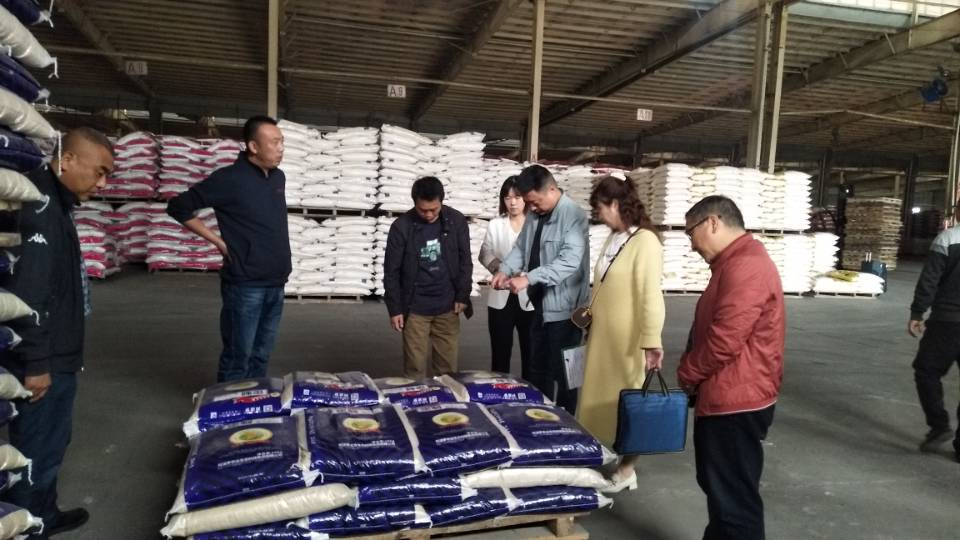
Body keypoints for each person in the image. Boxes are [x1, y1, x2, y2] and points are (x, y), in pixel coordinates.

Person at [0, 127, 114, 538]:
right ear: (67, 160)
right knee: (37, 446)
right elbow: (30, 292)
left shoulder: (54, 201)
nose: (103, 184)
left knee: (52, 440)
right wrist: (37, 362)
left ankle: (43, 513)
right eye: (99, 172)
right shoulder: (41, 207)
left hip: (58, 350)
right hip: (44, 357)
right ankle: (28, 525)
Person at [678, 195, 784, 540]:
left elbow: (725, 339)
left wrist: (688, 373)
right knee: (722, 489)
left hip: (736, 402)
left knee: (734, 500)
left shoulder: (746, 266)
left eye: (691, 233)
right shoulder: (733, 262)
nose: (692, 244)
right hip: (728, 394)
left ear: (712, 222)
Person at [167, 115, 290, 383]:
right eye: (274, 142)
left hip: (276, 283)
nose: (281, 148)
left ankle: (254, 400)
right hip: (245, 285)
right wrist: (219, 242)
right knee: (238, 355)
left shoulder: (277, 178)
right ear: (253, 146)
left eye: (282, 141)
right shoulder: (229, 179)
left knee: (261, 354)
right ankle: (229, 402)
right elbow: (178, 206)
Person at [576, 174, 665, 492]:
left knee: (631, 403)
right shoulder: (615, 237)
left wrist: (651, 340)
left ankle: (627, 470)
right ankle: (600, 454)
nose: (599, 215)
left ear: (614, 204)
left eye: (600, 208)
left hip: (629, 341)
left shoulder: (645, 242)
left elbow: (650, 295)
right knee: (601, 400)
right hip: (604, 338)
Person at [490, 164, 589, 414]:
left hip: (566, 312)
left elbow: (569, 262)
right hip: (538, 306)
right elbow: (521, 248)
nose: (532, 209)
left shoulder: (574, 216)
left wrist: (529, 278)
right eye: (529, 204)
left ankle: (566, 424)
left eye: (535, 202)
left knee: (566, 377)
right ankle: (540, 420)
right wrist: (505, 270)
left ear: (551, 190)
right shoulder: (535, 216)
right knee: (537, 370)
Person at [383, 176, 473, 378]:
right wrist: (395, 308)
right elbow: (391, 271)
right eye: (423, 210)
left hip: (448, 306)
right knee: (414, 369)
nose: (429, 214)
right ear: (414, 203)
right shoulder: (401, 227)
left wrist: (462, 295)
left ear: (441, 201)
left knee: (447, 371)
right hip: (415, 309)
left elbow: (465, 261)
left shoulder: (456, 221)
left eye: (434, 209)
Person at [907, 201, 960, 462]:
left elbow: (930, 279)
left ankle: (939, 426)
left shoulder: (948, 239)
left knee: (926, 370)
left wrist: (918, 312)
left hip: (947, 322)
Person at [479, 176, 533, 374]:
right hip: (501, 295)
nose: (513, 203)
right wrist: (501, 271)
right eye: (508, 198)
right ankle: (501, 389)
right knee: (500, 354)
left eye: (517, 197)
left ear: (526, 198)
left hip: (530, 296)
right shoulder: (496, 224)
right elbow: (485, 253)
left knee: (531, 353)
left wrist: (525, 275)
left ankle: (530, 389)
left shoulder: (536, 224)